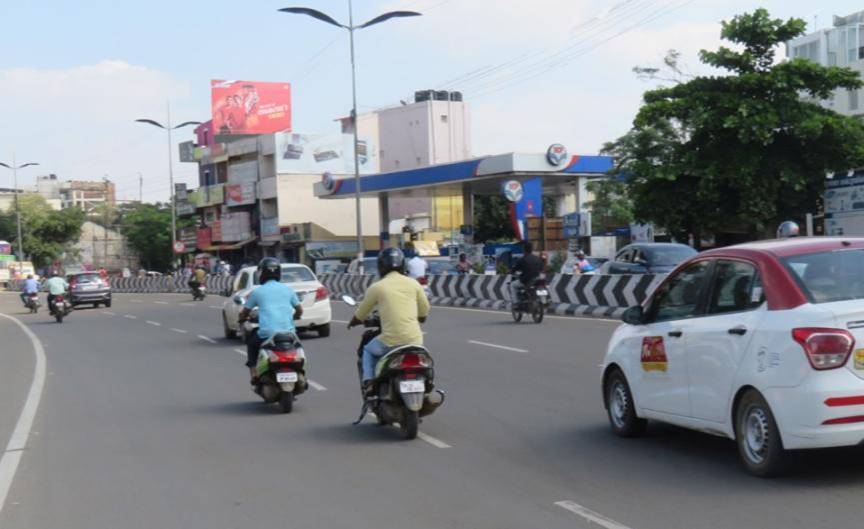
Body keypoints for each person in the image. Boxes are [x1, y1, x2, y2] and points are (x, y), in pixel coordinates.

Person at [349, 248, 430, 395]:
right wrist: (421, 317)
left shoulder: (377, 287)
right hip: (414, 340)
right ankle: (428, 386)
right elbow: (424, 311)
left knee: (368, 350)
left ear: (381, 266)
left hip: (390, 341)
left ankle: (369, 382)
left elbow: (361, 313)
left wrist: (353, 322)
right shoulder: (414, 284)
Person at [238, 258, 303, 382]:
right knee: (298, 348)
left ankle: (254, 372)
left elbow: (245, 312)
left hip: (266, 333)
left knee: (251, 344)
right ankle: (301, 372)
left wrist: (242, 318)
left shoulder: (257, 292)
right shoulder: (288, 290)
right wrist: (296, 317)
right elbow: (299, 310)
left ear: (262, 273)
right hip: (289, 333)